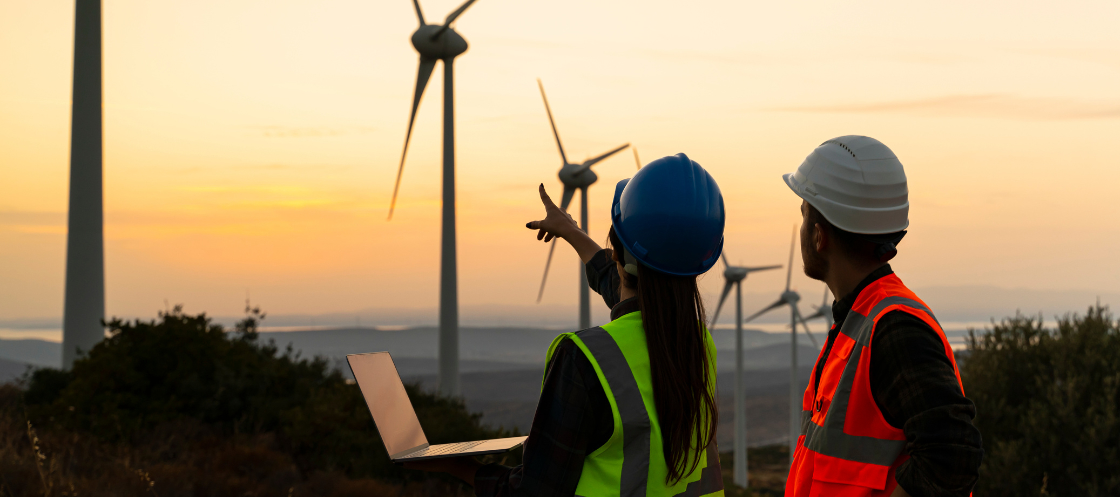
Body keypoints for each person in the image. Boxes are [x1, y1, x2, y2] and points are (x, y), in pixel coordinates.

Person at [405, 153, 727, 496]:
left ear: (618, 254)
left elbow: (535, 490)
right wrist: (572, 233)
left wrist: (460, 466)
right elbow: (628, 287)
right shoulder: (695, 342)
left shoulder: (586, 358)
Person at [781, 136, 983, 497]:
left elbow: (953, 456)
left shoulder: (895, 328)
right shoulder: (860, 321)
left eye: (803, 216)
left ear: (818, 235)